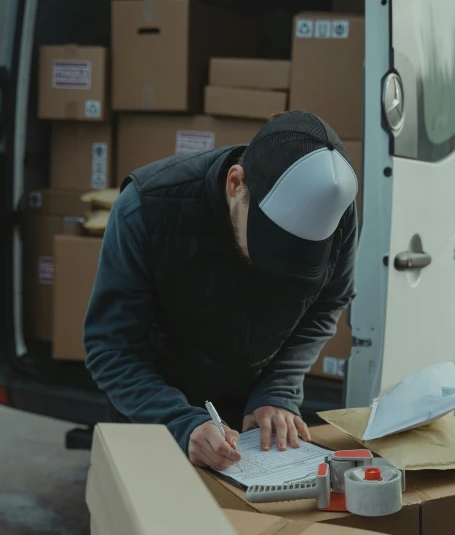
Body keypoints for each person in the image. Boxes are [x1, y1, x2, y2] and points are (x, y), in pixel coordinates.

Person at [84, 110, 358, 473]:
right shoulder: (146, 210)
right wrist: (181, 422)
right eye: (268, 247)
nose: (273, 270)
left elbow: (327, 303)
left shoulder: (334, 211)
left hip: (257, 420)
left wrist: (278, 390)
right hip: (155, 414)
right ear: (235, 184)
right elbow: (111, 347)